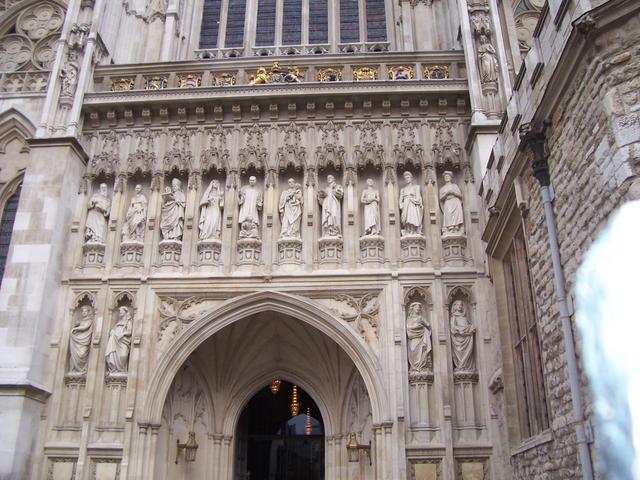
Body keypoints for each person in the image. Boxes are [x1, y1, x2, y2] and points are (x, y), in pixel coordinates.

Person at [105, 306, 133, 374]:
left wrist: (122, 334)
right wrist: (112, 332)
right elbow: (113, 329)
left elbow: (129, 331)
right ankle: (114, 369)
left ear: (125, 312)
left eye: (121, 311)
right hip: (115, 340)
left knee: (123, 355)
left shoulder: (128, 321)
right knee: (112, 354)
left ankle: (121, 370)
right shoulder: (119, 322)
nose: (120, 313)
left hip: (123, 341)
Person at [450, 300, 475, 371]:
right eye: (458, 305)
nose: (460, 306)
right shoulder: (454, 317)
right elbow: (453, 327)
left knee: (468, 352)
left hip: (467, 338)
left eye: (461, 305)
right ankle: (460, 366)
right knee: (460, 350)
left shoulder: (465, 317)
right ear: (454, 306)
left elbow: (470, 325)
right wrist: (461, 330)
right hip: (458, 338)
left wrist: (470, 329)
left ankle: (467, 367)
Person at [406, 303, 432, 372]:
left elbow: (428, 325)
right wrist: (417, 326)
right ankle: (414, 367)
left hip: (421, 338)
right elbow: (408, 328)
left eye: (419, 307)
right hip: (413, 338)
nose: (417, 308)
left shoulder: (420, 318)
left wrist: (422, 326)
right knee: (413, 351)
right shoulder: (409, 319)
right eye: (416, 307)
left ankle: (421, 367)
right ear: (412, 309)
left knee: (422, 351)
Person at [68, 305, 94, 374]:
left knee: (82, 354)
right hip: (78, 340)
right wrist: (76, 325)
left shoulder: (89, 320)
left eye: (85, 311)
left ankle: (82, 369)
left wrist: (75, 328)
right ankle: (74, 369)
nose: (83, 313)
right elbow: (80, 326)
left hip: (84, 340)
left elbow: (85, 327)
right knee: (75, 354)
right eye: (82, 311)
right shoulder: (81, 321)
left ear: (88, 312)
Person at [439, 171, 465, 236]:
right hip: (448, 203)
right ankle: (450, 228)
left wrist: (453, 192)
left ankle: (456, 228)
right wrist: (446, 194)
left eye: (448, 176)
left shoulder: (455, 186)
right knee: (448, 215)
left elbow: (460, 195)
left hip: (455, 202)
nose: (446, 178)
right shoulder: (442, 188)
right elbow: (441, 198)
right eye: (445, 177)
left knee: (456, 215)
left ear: (451, 178)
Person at [399, 171, 423, 236]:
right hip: (405, 204)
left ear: (411, 178)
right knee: (406, 218)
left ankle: (414, 230)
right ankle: (408, 230)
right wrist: (401, 205)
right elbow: (400, 199)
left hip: (413, 204)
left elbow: (418, 198)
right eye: (405, 178)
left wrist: (412, 199)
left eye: (408, 178)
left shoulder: (416, 187)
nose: (407, 179)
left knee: (412, 217)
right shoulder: (403, 189)